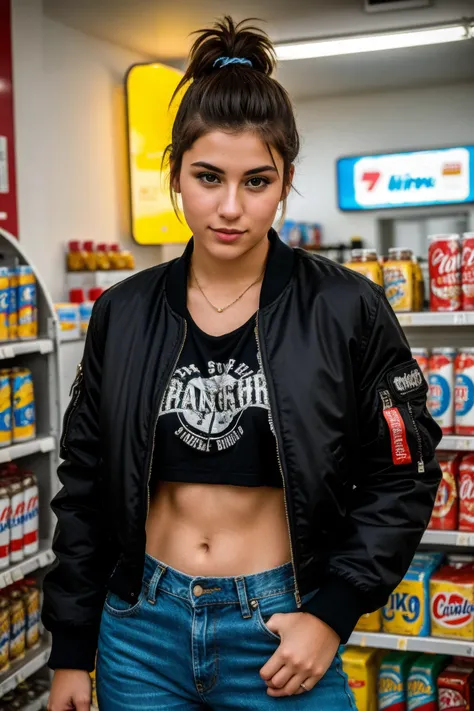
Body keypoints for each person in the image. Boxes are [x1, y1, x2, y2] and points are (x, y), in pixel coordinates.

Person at [42, 16, 442, 711]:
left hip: (282, 630)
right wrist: (72, 649)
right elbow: (84, 485)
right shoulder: (124, 312)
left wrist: (333, 612)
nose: (231, 207)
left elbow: (402, 472)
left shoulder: (346, 307)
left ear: (286, 180)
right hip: (141, 633)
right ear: (175, 175)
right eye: (207, 177)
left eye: (257, 180)